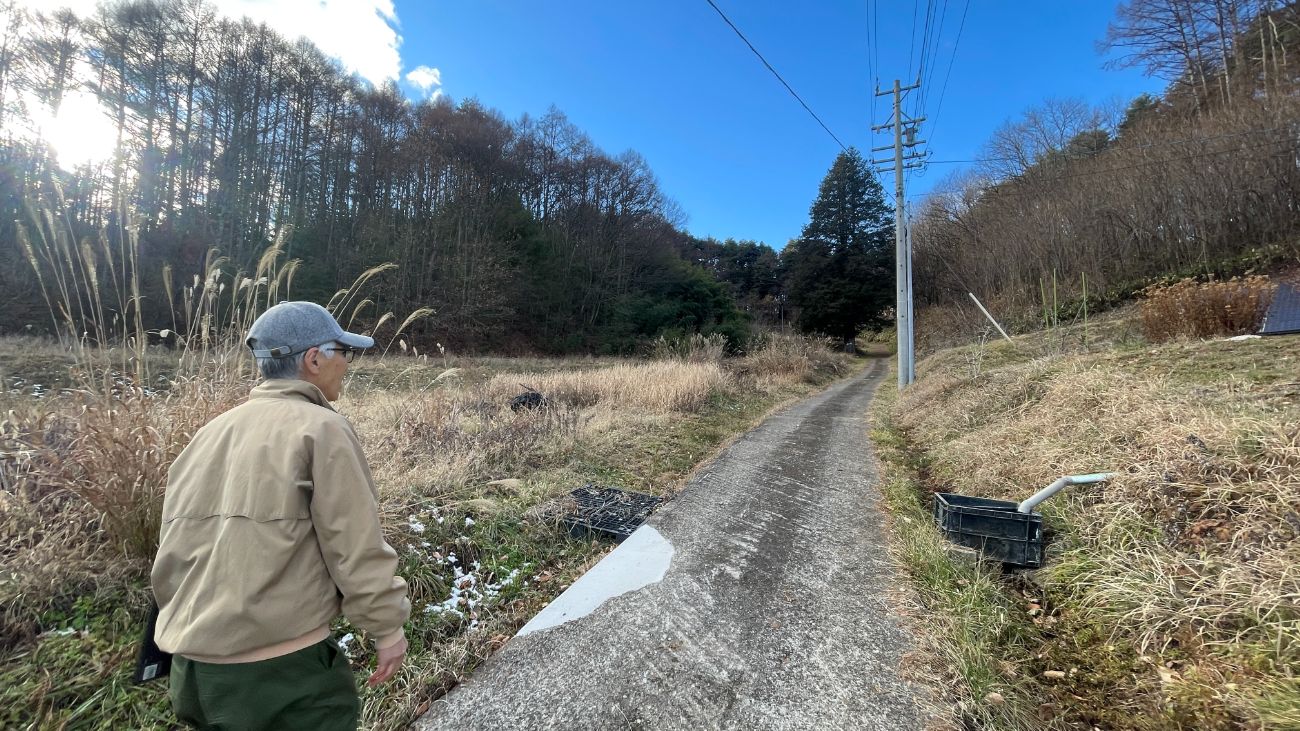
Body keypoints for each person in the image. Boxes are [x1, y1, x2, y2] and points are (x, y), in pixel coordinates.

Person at [151, 301, 411, 731]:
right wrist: (387, 629)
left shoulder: (209, 433)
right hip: (281, 679)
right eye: (343, 352)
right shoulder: (321, 428)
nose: (347, 363)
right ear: (314, 359)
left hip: (194, 674)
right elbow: (354, 545)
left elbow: (175, 548)